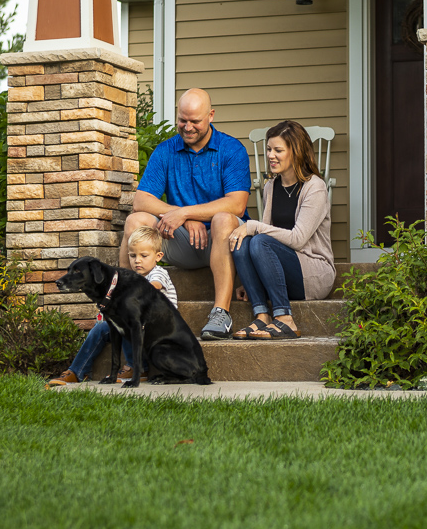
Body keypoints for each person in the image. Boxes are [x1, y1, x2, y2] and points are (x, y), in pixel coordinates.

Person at [122, 88, 251, 340]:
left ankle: (221, 313)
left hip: (223, 241)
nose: (188, 127)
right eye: (182, 119)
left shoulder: (231, 150)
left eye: (195, 121)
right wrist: (184, 217)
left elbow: (237, 205)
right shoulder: (166, 150)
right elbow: (141, 199)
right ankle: (127, 304)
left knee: (224, 218)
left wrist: (186, 213)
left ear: (211, 115)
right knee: (135, 221)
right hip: (182, 241)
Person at [226, 120, 335, 340]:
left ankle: (285, 318)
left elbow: (297, 239)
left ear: (296, 152)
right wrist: (249, 280)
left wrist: (253, 226)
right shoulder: (270, 187)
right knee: (243, 242)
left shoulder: (315, 187)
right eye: (269, 149)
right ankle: (261, 316)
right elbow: (264, 238)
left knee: (257, 238)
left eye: (278, 150)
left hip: (313, 273)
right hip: (282, 272)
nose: (271, 155)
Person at [47, 227, 178, 387]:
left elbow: (153, 287)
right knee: (102, 328)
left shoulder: (158, 273)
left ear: (158, 257)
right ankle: (76, 371)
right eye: (133, 255)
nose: (137, 260)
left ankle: (134, 367)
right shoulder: (131, 277)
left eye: (144, 256)